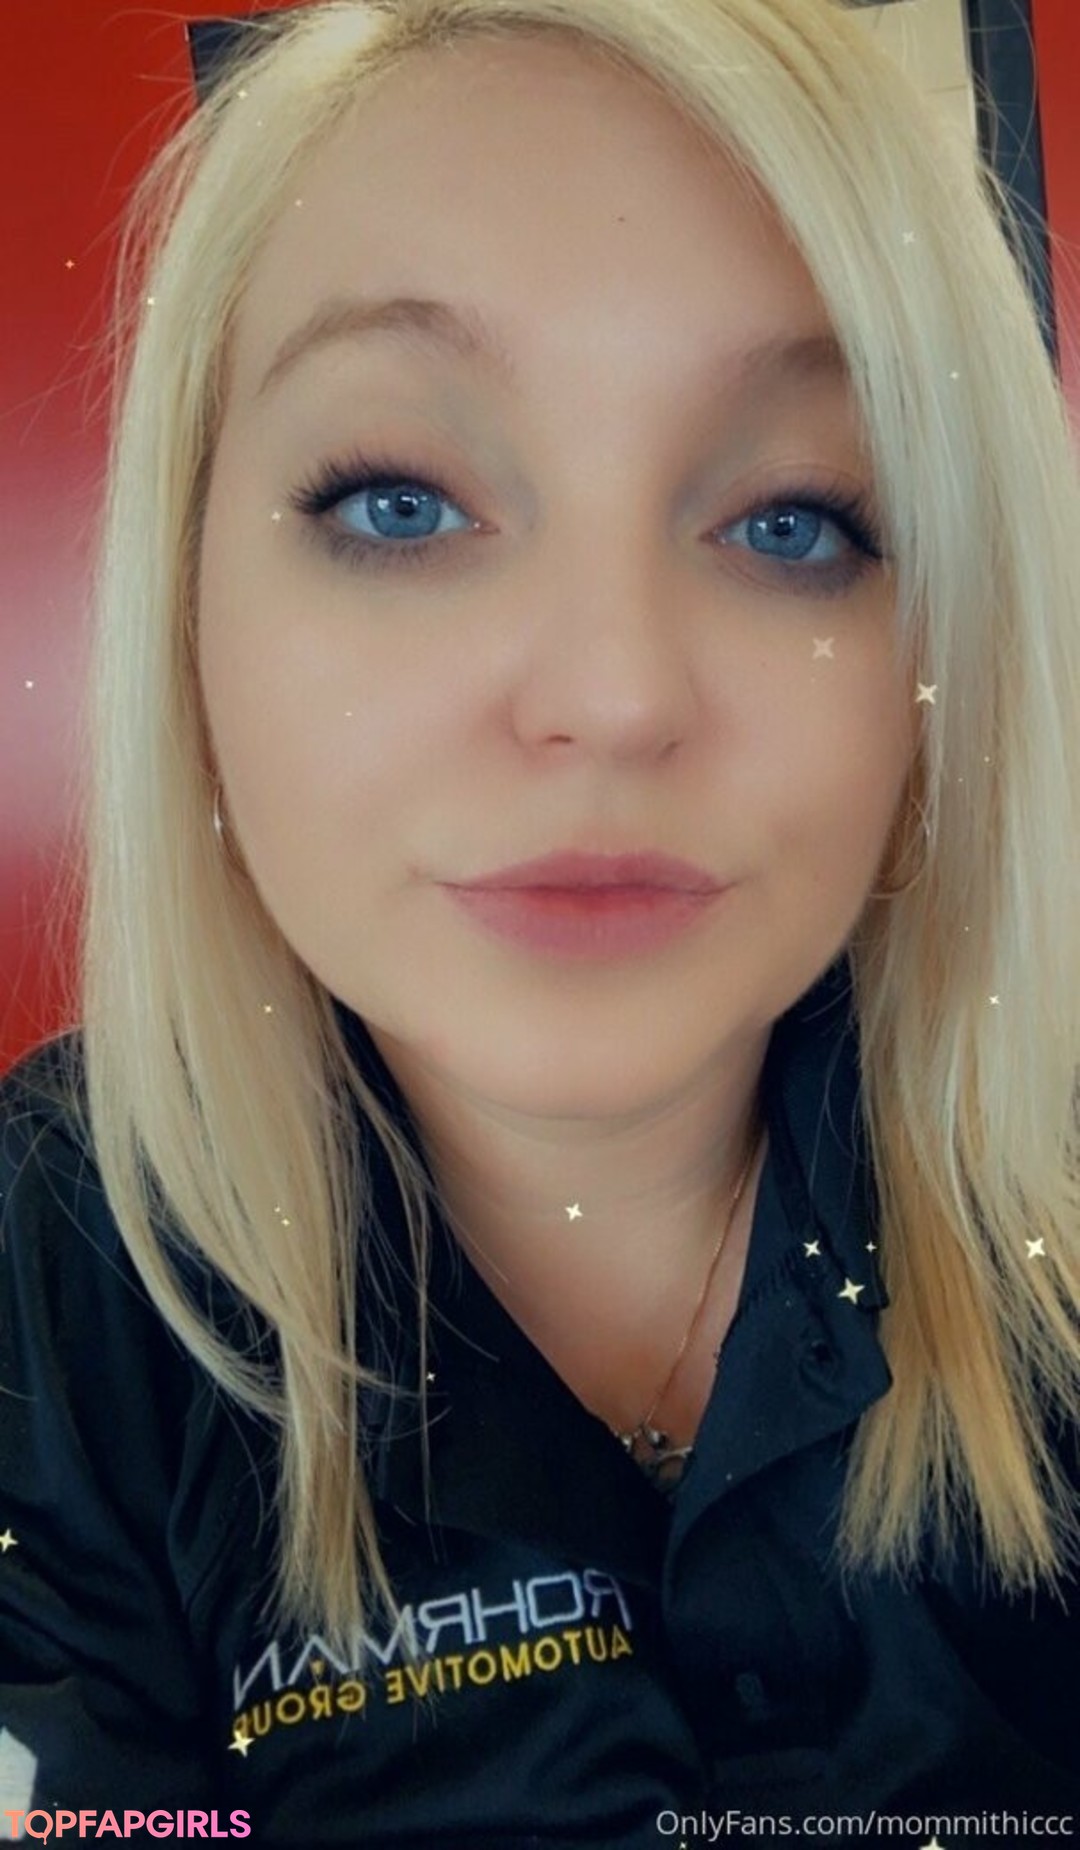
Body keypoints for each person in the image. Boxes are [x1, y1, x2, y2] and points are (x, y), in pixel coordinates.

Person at [1, 0, 1078, 1841]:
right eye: (399, 501)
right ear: (190, 620)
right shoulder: (53, 1277)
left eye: (795, 519)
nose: (612, 693)